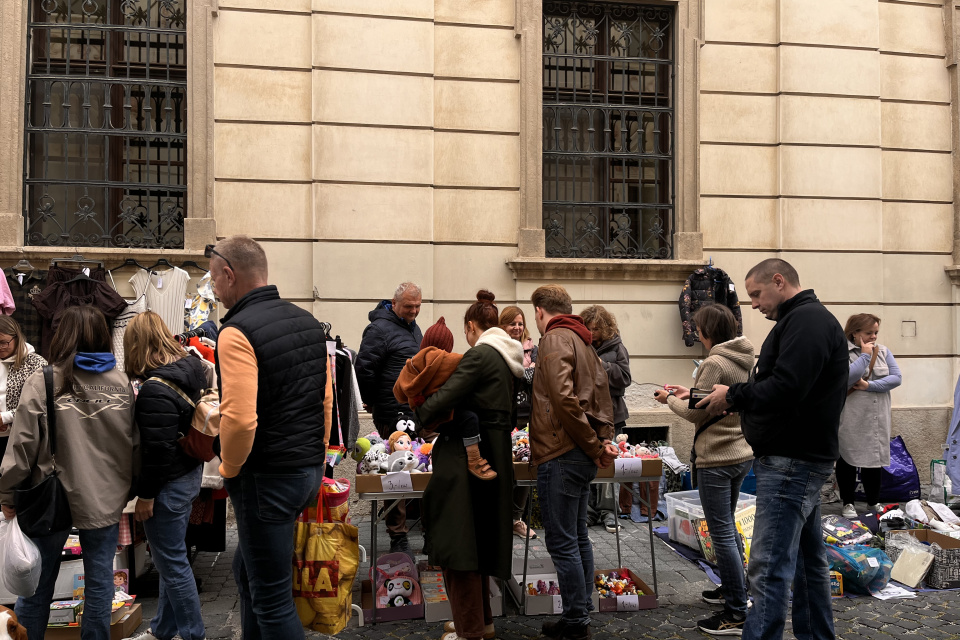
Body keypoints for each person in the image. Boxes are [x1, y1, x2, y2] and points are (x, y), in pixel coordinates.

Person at [698, 259, 848, 640]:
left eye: (757, 294)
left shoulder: (807, 322)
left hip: (793, 461)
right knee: (806, 562)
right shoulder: (801, 321)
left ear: (779, 282)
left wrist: (732, 394)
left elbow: (786, 387)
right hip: (796, 458)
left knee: (767, 567)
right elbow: (783, 385)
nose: (754, 305)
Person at [206, 236, 327, 640]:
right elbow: (325, 403)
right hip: (304, 471)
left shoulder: (236, 331)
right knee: (249, 572)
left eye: (213, 279)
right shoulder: (307, 322)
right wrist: (317, 456)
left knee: (273, 599)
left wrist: (229, 467)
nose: (212, 288)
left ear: (229, 273)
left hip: (265, 477)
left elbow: (239, 421)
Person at [0, 305, 136, 640]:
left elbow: (22, 448)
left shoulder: (44, 380)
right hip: (105, 496)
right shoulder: (121, 383)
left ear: (63, 336)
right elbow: (134, 445)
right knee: (101, 581)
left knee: (37, 584)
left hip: (50, 496)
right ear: (103, 337)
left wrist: (6, 494)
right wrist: (129, 490)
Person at [414, 291, 524, 640]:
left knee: (459, 546)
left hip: (467, 463)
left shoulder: (480, 355)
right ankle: (479, 623)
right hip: (495, 452)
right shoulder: (508, 356)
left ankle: (470, 631)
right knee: (476, 544)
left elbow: (443, 399)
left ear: (471, 326)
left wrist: (422, 415)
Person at [655, 304, 754, 635]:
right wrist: (688, 393)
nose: (696, 333)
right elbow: (710, 399)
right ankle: (735, 589)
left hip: (716, 457)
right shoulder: (742, 358)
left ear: (707, 331)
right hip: (740, 453)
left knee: (721, 531)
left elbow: (697, 413)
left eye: (697, 328)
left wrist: (668, 398)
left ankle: (736, 612)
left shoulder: (713, 362)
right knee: (728, 528)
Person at [529, 285, 617, 640]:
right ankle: (580, 612)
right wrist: (602, 441)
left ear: (539, 311)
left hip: (561, 451)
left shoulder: (554, 339)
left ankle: (576, 620)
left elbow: (565, 402)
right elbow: (602, 397)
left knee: (564, 541)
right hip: (577, 452)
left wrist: (597, 445)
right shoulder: (584, 340)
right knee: (578, 536)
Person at [123, 311, 207, 640]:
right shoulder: (189, 369)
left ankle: (192, 633)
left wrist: (145, 496)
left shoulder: (156, 389)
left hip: (167, 484)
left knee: (172, 564)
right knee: (175, 558)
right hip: (185, 476)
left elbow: (157, 452)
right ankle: (163, 629)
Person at [355, 281, 424, 552]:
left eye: (418, 306)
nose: (414, 311)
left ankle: (418, 529)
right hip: (390, 411)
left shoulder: (413, 327)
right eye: (409, 306)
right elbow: (364, 369)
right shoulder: (378, 329)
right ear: (394, 304)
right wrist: (372, 402)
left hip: (414, 412)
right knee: (394, 470)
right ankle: (398, 535)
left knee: (417, 467)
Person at [394, 317, 497, 480]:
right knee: (470, 418)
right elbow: (470, 368)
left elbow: (398, 393)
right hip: (443, 415)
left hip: (425, 417)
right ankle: (474, 459)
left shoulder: (413, 363)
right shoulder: (450, 361)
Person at [837, 314, 902, 518]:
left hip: (877, 415)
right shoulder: (841, 352)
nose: (873, 336)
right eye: (868, 332)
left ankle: (873, 502)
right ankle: (848, 502)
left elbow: (896, 378)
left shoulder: (883, 351)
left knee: (874, 459)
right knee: (847, 457)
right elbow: (846, 378)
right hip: (852, 415)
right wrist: (865, 356)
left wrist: (869, 386)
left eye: (876, 332)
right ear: (854, 333)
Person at [580, 305, 632, 535]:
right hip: (588, 414)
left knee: (609, 463)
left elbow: (626, 378)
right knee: (589, 462)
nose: (592, 333)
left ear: (606, 328)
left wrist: (604, 367)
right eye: (589, 329)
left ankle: (609, 512)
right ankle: (589, 511)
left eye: (596, 329)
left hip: (612, 414)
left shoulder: (617, 347)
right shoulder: (582, 345)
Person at [498, 306, 537, 540]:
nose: (517, 327)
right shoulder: (497, 348)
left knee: (524, 469)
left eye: (520, 323)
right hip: (503, 416)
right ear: (502, 326)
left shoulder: (534, 351)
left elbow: (537, 380)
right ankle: (499, 519)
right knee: (503, 470)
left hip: (527, 418)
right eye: (512, 323)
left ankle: (516, 519)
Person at [0, 316, 47, 457]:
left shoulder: (36, 364)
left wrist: (5, 418)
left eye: (4, 342)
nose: (0, 347)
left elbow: (41, 403)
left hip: (21, 438)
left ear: (17, 337)